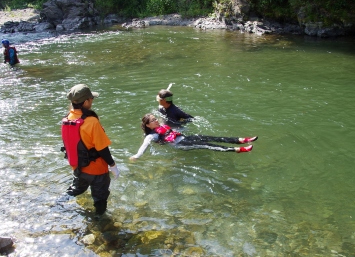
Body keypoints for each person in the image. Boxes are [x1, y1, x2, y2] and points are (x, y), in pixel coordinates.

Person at [61, 84, 119, 215]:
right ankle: (99, 221)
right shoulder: (91, 121)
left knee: (76, 189)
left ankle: (59, 204)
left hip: (77, 167)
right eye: (91, 98)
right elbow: (102, 148)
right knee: (100, 198)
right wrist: (113, 166)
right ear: (86, 101)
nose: (92, 100)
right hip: (96, 171)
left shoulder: (67, 118)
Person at [130, 114, 257, 160]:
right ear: (148, 125)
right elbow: (144, 146)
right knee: (209, 146)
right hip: (182, 145)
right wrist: (137, 156)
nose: (156, 120)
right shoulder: (152, 136)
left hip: (186, 138)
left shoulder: (161, 125)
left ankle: (242, 140)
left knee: (213, 138)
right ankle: (240, 150)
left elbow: (171, 127)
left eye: (155, 118)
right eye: (153, 120)